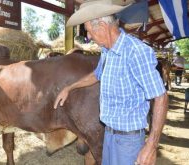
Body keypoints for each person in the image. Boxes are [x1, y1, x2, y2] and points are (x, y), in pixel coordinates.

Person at [53, 0, 168, 165]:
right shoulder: (107, 51)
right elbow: (96, 75)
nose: (89, 36)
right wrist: (69, 87)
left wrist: (151, 145)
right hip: (108, 134)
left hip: (129, 141)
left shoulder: (135, 52)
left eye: (89, 31)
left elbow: (161, 97)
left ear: (101, 25)